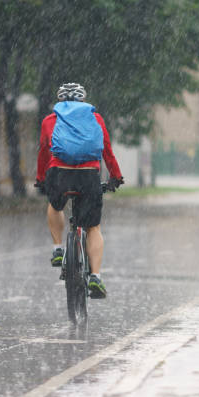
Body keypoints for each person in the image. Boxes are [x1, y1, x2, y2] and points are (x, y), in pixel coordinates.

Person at [35, 83, 123, 299]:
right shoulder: (95, 118)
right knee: (93, 227)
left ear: (61, 101)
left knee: (55, 206)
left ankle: (57, 249)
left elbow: (44, 152)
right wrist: (115, 176)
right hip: (88, 175)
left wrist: (41, 178)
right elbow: (107, 151)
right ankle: (95, 276)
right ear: (82, 101)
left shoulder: (50, 120)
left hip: (60, 173)